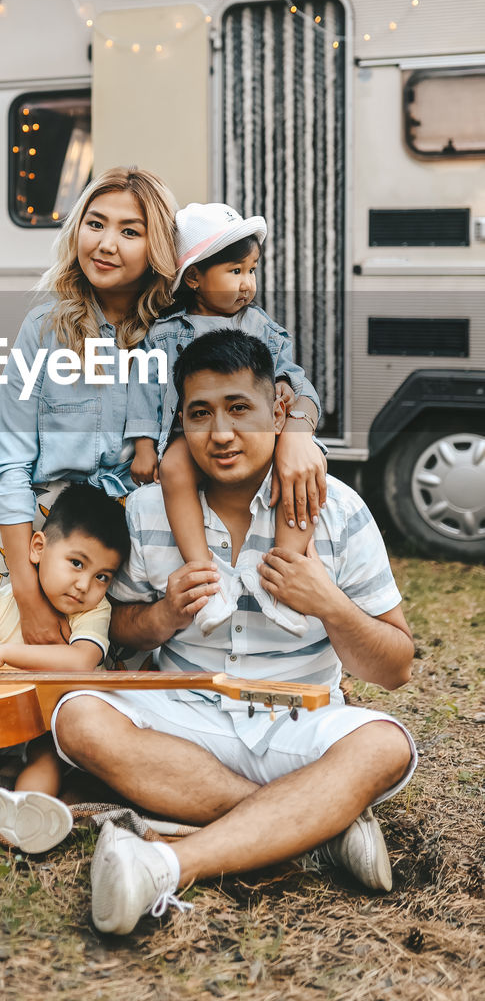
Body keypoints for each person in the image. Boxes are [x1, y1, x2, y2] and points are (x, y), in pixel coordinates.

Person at [53, 330, 416, 936]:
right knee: (78, 718)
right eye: (201, 414)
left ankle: (166, 864)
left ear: (279, 410)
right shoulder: (146, 513)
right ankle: (315, 828)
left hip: (299, 722)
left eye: (238, 408)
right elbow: (113, 636)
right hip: (180, 718)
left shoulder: (340, 509)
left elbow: (395, 665)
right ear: (182, 424)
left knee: (384, 745)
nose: (220, 434)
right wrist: (161, 616)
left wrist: (330, 605)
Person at [0, 167, 176, 651]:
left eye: (130, 231)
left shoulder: (176, 336)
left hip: (118, 531)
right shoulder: (43, 329)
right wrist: (27, 593)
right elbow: (11, 462)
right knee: (15, 669)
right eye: (95, 224)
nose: (105, 244)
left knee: (103, 677)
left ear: (156, 245)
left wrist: (297, 422)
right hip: (23, 523)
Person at [126, 202, 327, 636]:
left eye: (251, 271)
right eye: (235, 271)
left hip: (256, 437)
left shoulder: (263, 329)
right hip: (188, 434)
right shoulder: (166, 333)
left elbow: (295, 378)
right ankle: (205, 581)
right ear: (195, 277)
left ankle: (285, 583)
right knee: (175, 466)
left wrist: (293, 415)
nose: (247, 284)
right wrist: (144, 444)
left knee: (295, 471)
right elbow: (144, 389)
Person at [0, 484, 129, 853]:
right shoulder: (5, 602)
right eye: (77, 563)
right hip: (0, 718)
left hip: (55, 721)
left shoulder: (93, 612)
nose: (84, 585)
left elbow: (81, 661)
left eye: (102, 577)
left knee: (44, 753)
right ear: (37, 548)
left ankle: (22, 818)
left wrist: (4, 653)